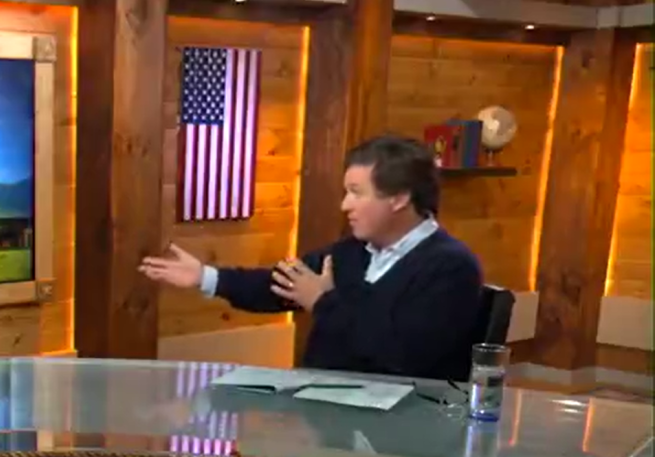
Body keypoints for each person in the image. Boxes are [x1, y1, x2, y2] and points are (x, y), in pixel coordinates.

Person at [140, 134, 483, 381]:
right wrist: (204, 276)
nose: (345, 205)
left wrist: (321, 301)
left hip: (395, 431)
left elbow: (401, 355)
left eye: (356, 193)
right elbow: (280, 285)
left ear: (399, 199)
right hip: (321, 410)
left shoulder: (451, 267)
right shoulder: (350, 252)